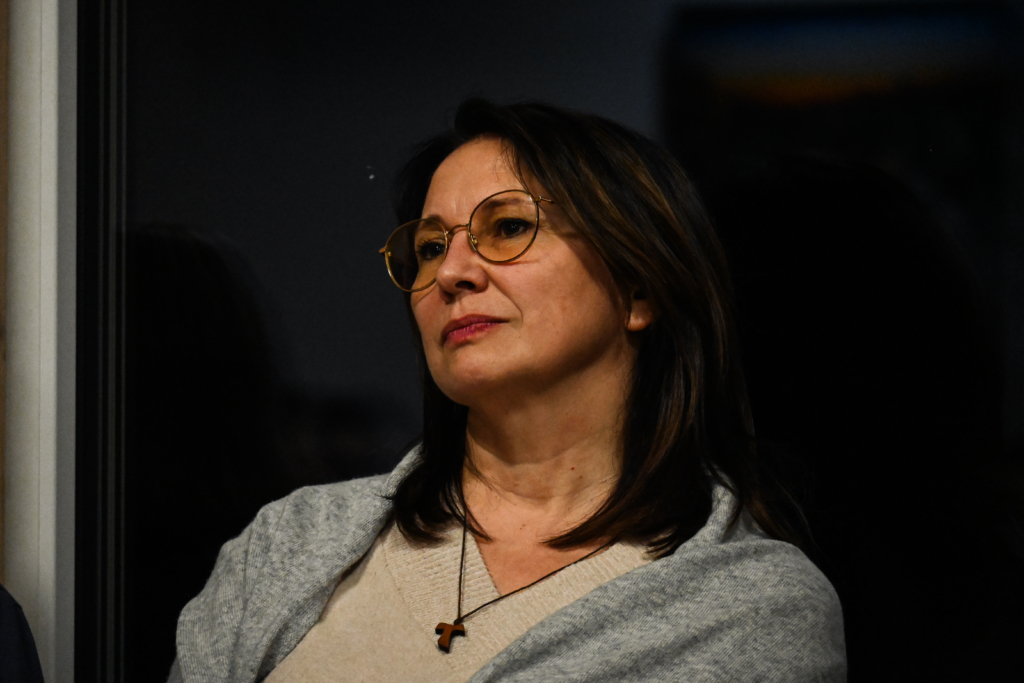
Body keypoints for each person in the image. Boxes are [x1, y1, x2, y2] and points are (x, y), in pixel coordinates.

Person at [168, 99, 845, 682]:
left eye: (509, 227)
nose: (451, 273)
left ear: (638, 287)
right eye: (430, 247)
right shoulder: (289, 543)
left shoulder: (753, 606)